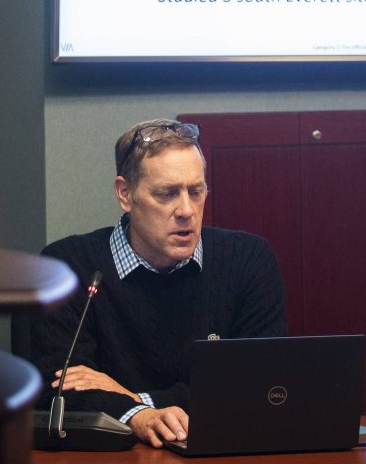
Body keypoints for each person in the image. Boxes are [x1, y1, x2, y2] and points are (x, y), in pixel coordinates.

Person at [31, 119, 287, 448]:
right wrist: (140, 417)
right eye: (166, 194)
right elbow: (58, 390)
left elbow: (263, 386)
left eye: (196, 191)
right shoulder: (66, 266)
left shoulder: (248, 260)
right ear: (125, 194)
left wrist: (130, 399)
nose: (186, 210)